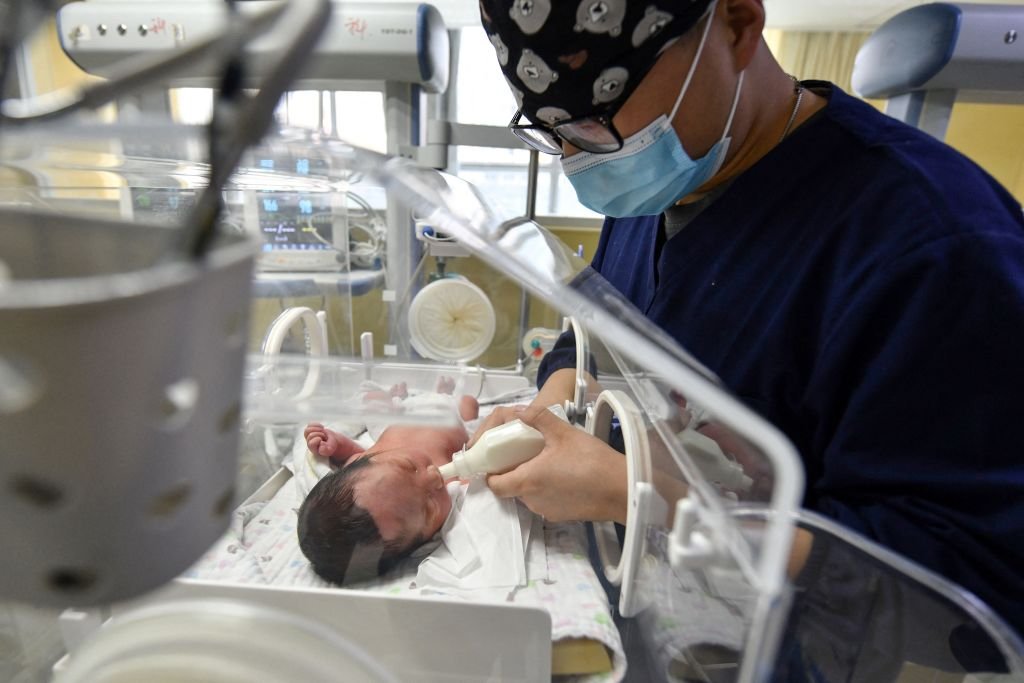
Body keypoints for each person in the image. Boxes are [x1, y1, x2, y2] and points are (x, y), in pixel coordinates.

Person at [475, 0, 1024, 640]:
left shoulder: (936, 247)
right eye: (552, 130)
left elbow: (974, 590)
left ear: (736, 25)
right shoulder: (660, 183)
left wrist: (642, 496)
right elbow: (596, 331)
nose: (579, 158)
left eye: (597, 120)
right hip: (657, 615)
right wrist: (556, 401)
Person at [296, 394, 478, 584]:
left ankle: (411, 393)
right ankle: (452, 397)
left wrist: (335, 444)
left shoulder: (360, 463)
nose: (434, 477)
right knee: (468, 403)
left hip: (409, 412)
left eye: (409, 466)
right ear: (420, 545)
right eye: (429, 507)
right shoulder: (454, 488)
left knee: (372, 399)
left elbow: (354, 452)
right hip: (455, 418)